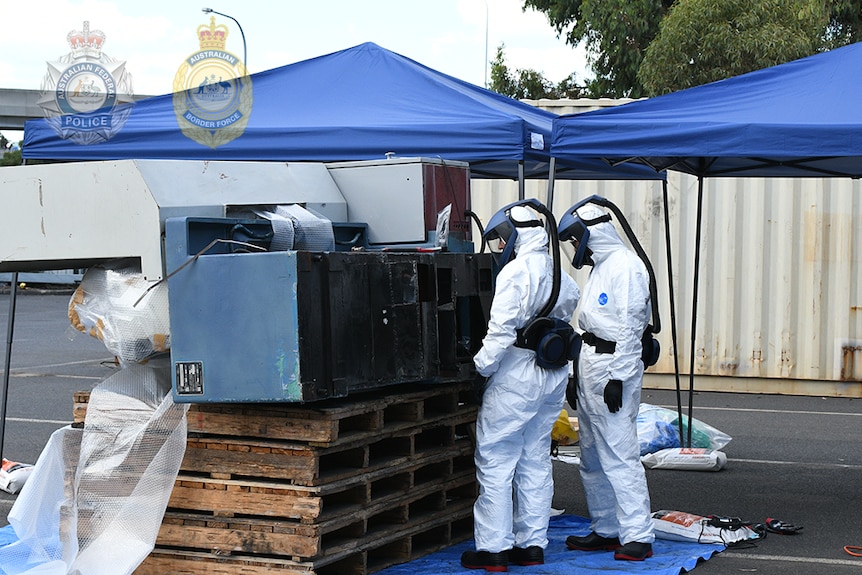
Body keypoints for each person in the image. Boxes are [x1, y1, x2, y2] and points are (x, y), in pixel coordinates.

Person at [461, 204, 580, 572]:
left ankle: (493, 549)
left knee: (496, 459)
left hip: (517, 375)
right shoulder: (562, 275)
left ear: (515, 233)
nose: (499, 246)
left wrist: (478, 368)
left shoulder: (517, 272)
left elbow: (500, 333)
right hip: (552, 374)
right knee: (535, 457)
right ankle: (531, 544)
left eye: (500, 238)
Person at [560, 203, 655, 561]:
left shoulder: (627, 267)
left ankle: (638, 535)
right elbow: (585, 326)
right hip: (590, 365)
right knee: (592, 457)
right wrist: (573, 374)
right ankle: (607, 528)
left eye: (573, 238)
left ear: (590, 233)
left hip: (613, 367)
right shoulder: (602, 267)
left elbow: (631, 327)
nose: (573, 247)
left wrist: (620, 377)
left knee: (619, 454)